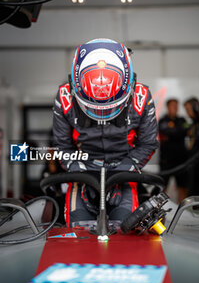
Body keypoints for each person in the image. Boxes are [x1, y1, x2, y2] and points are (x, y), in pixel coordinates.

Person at [53, 38, 158, 226]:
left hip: (124, 170)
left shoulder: (141, 97)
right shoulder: (65, 97)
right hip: (82, 170)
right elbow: (62, 146)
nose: (102, 113)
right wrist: (79, 171)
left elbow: (148, 143)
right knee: (78, 234)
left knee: (125, 233)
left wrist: (123, 170)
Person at [158, 99, 188, 203]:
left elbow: (186, 130)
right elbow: (164, 130)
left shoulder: (182, 120)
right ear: (167, 107)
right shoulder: (163, 121)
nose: (175, 108)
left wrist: (173, 133)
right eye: (172, 105)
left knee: (182, 187)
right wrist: (177, 132)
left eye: (176, 105)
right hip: (166, 161)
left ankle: (183, 211)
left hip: (181, 161)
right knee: (162, 186)